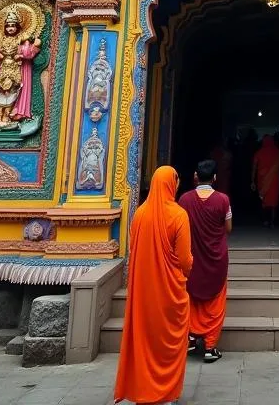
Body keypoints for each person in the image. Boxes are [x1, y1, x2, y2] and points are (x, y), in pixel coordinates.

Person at [114, 166, 193, 405]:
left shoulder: (139, 214)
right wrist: (187, 269)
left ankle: (145, 388)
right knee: (169, 340)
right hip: (169, 289)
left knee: (146, 338)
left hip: (144, 289)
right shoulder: (178, 215)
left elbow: (133, 248)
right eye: (176, 180)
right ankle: (165, 392)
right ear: (171, 184)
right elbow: (184, 259)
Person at [179, 159, 232, 364]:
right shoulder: (223, 200)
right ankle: (210, 346)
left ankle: (191, 337)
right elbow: (228, 229)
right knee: (215, 302)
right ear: (215, 178)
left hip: (191, 257)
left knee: (192, 297)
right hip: (216, 257)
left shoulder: (184, 200)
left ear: (195, 176)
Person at [252, 134, 279, 228]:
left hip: (262, 180)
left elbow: (254, 168)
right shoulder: (278, 152)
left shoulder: (259, 152)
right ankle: (272, 222)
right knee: (274, 202)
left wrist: (252, 181)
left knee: (264, 200)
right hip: (275, 180)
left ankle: (265, 220)